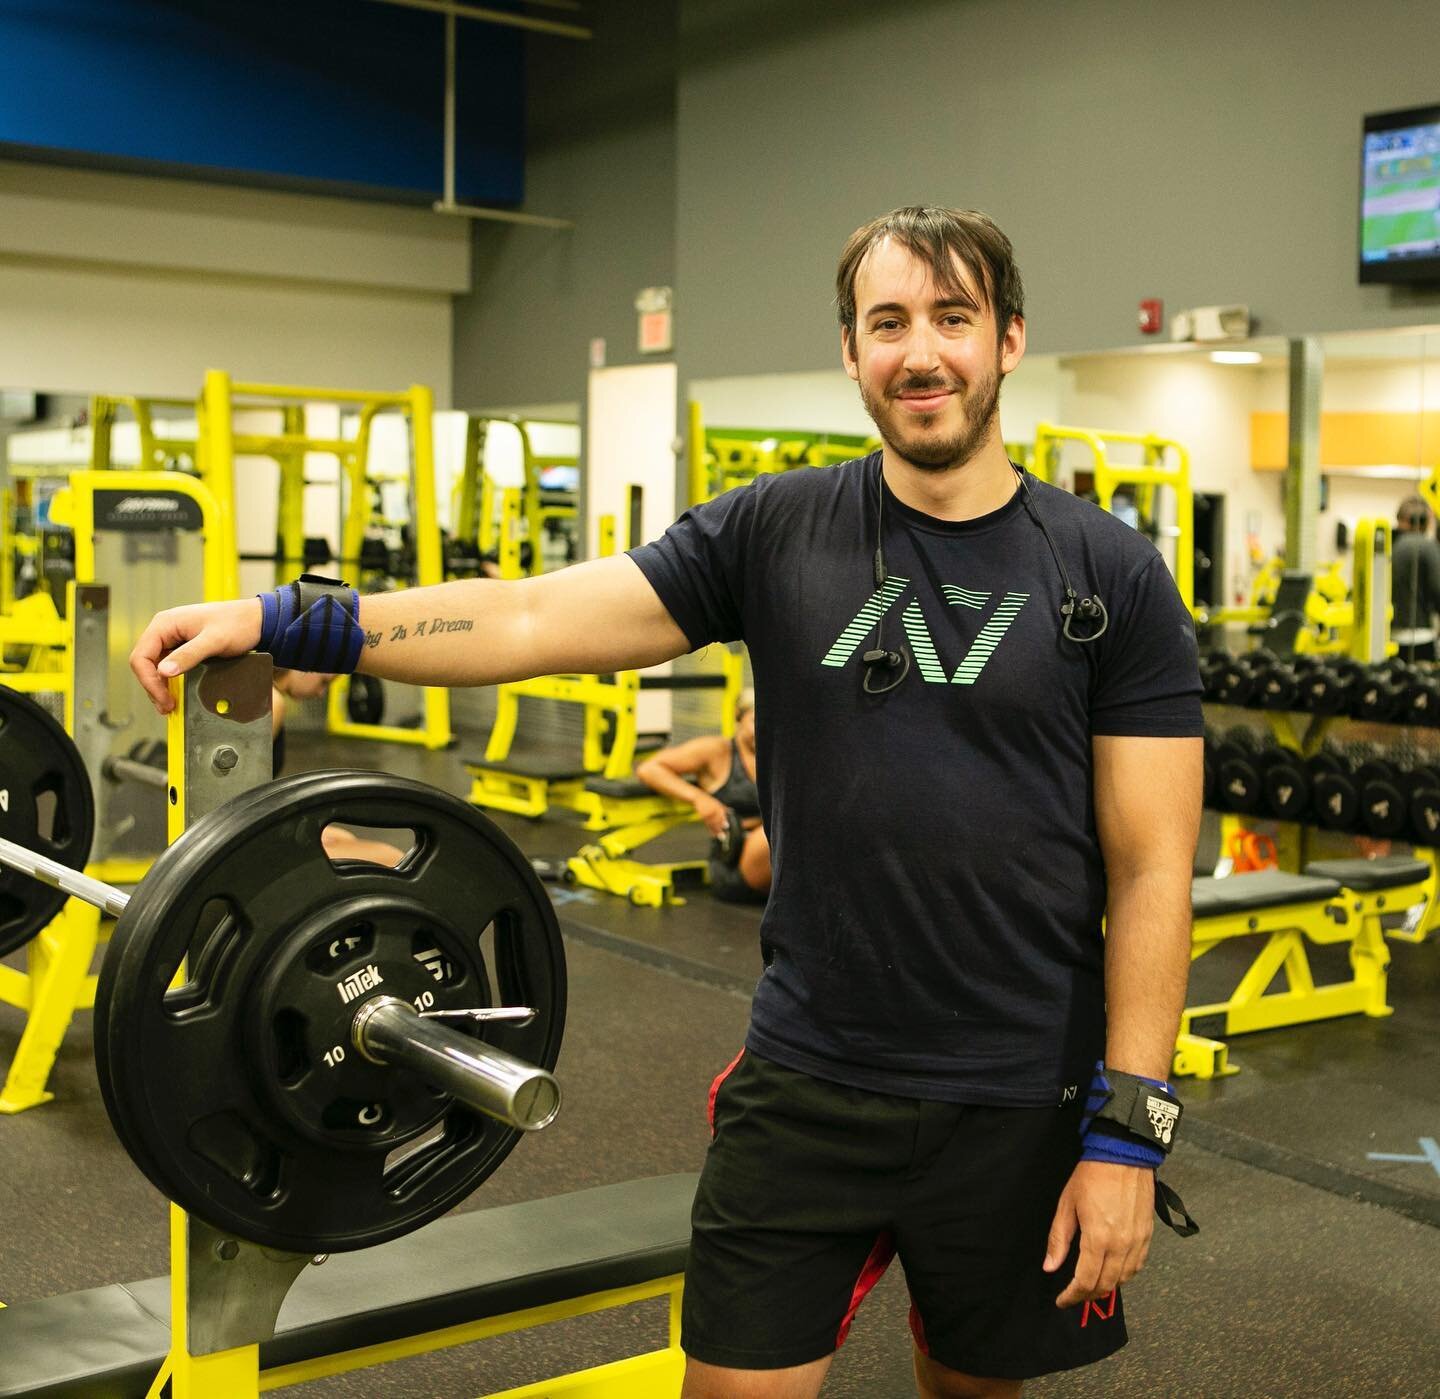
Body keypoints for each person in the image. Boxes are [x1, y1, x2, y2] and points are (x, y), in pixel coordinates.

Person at [130, 205, 1202, 1399]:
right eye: (887, 321)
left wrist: (1127, 1132)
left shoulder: (1107, 572)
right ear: (850, 351)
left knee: (972, 1388)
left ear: (1007, 337)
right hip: (809, 1080)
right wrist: (293, 620)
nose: (922, 352)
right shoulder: (777, 530)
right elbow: (535, 615)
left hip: (1020, 1093)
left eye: (953, 318)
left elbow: (1154, 868)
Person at [634, 692, 770, 905]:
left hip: (778, 863)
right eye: (756, 721)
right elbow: (650, 769)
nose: (764, 729)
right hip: (735, 863)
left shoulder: (780, 755)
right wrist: (699, 798)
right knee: (781, 830)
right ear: (738, 716)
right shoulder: (717, 752)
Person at [1390, 494, 1440, 662]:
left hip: (1390, 638)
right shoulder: (1427, 547)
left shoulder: (1388, 545)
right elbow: (1437, 589)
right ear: (1423, 520)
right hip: (1420, 638)